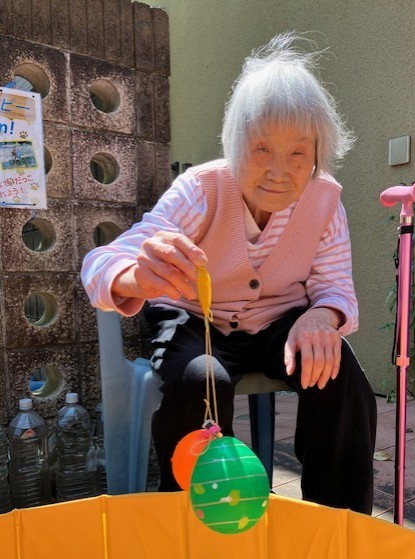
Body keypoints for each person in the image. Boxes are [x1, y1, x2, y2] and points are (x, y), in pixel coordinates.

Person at [81, 32, 377, 515]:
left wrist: (321, 317)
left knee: (336, 368)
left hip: (279, 324)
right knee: (201, 379)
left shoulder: (324, 201)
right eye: (261, 148)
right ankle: (195, 519)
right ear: (236, 144)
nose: (279, 171)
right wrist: (136, 277)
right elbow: (100, 263)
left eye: (298, 153)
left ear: (318, 154)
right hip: (195, 320)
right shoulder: (201, 188)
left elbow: (335, 288)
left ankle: (339, 526)